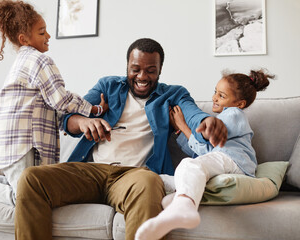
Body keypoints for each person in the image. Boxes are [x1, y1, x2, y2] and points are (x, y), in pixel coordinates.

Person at [14, 38, 228, 240]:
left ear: (160, 70)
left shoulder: (172, 94)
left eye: (150, 71)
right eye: (135, 69)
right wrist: (84, 122)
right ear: (127, 66)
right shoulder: (107, 86)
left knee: (148, 182)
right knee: (32, 178)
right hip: (92, 171)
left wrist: (207, 120)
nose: (142, 77)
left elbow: (193, 115)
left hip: (134, 176)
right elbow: (70, 119)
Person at [0, 0, 107, 206]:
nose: (48, 36)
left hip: (11, 142)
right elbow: (60, 98)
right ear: (24, 38)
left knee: (19, 188)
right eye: (42, 32)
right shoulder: (39, 61)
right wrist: (93, 108)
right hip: (23, 142)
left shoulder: (21, 62)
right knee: (24, 197)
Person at [135, 69, 274, 240]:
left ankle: (185, 206)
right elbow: (205, 152)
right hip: (223, 164)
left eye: (222, 96)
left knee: (189, 164)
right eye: (215, 92)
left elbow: (206, 147)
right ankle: (179, 201)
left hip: (235, 163)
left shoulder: (234, 114)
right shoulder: (228, 118)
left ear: (240, 104)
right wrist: (180, 130)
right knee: (162, 180)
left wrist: (184, 127)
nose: (215, 98)